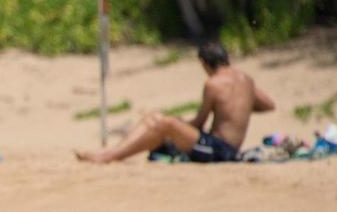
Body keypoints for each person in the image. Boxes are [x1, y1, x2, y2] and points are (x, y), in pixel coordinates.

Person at [76, 41, 276, 164]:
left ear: (205, 63)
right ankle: (111, 154)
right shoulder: (246, 81)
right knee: (158, 120)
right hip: (226, 147)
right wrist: (238, 109)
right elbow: (268, 105)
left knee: (164, 123)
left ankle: (108, 157)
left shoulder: (213, 84)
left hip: (219, 150)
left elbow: (199, 123)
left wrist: (180, 125)